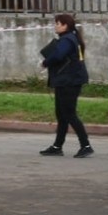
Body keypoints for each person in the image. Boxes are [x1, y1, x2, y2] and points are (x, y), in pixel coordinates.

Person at [38, 14, 94, 158]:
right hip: (67, 80)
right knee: (61, 115)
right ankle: (57, 146)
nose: (55, 26)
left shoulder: (67, 40)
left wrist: (45, 63)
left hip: (69, 81)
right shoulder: (70, 38)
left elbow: (58, 55)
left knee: (69, 114)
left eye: (58, 23)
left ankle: (86, 145)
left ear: (65, 26)